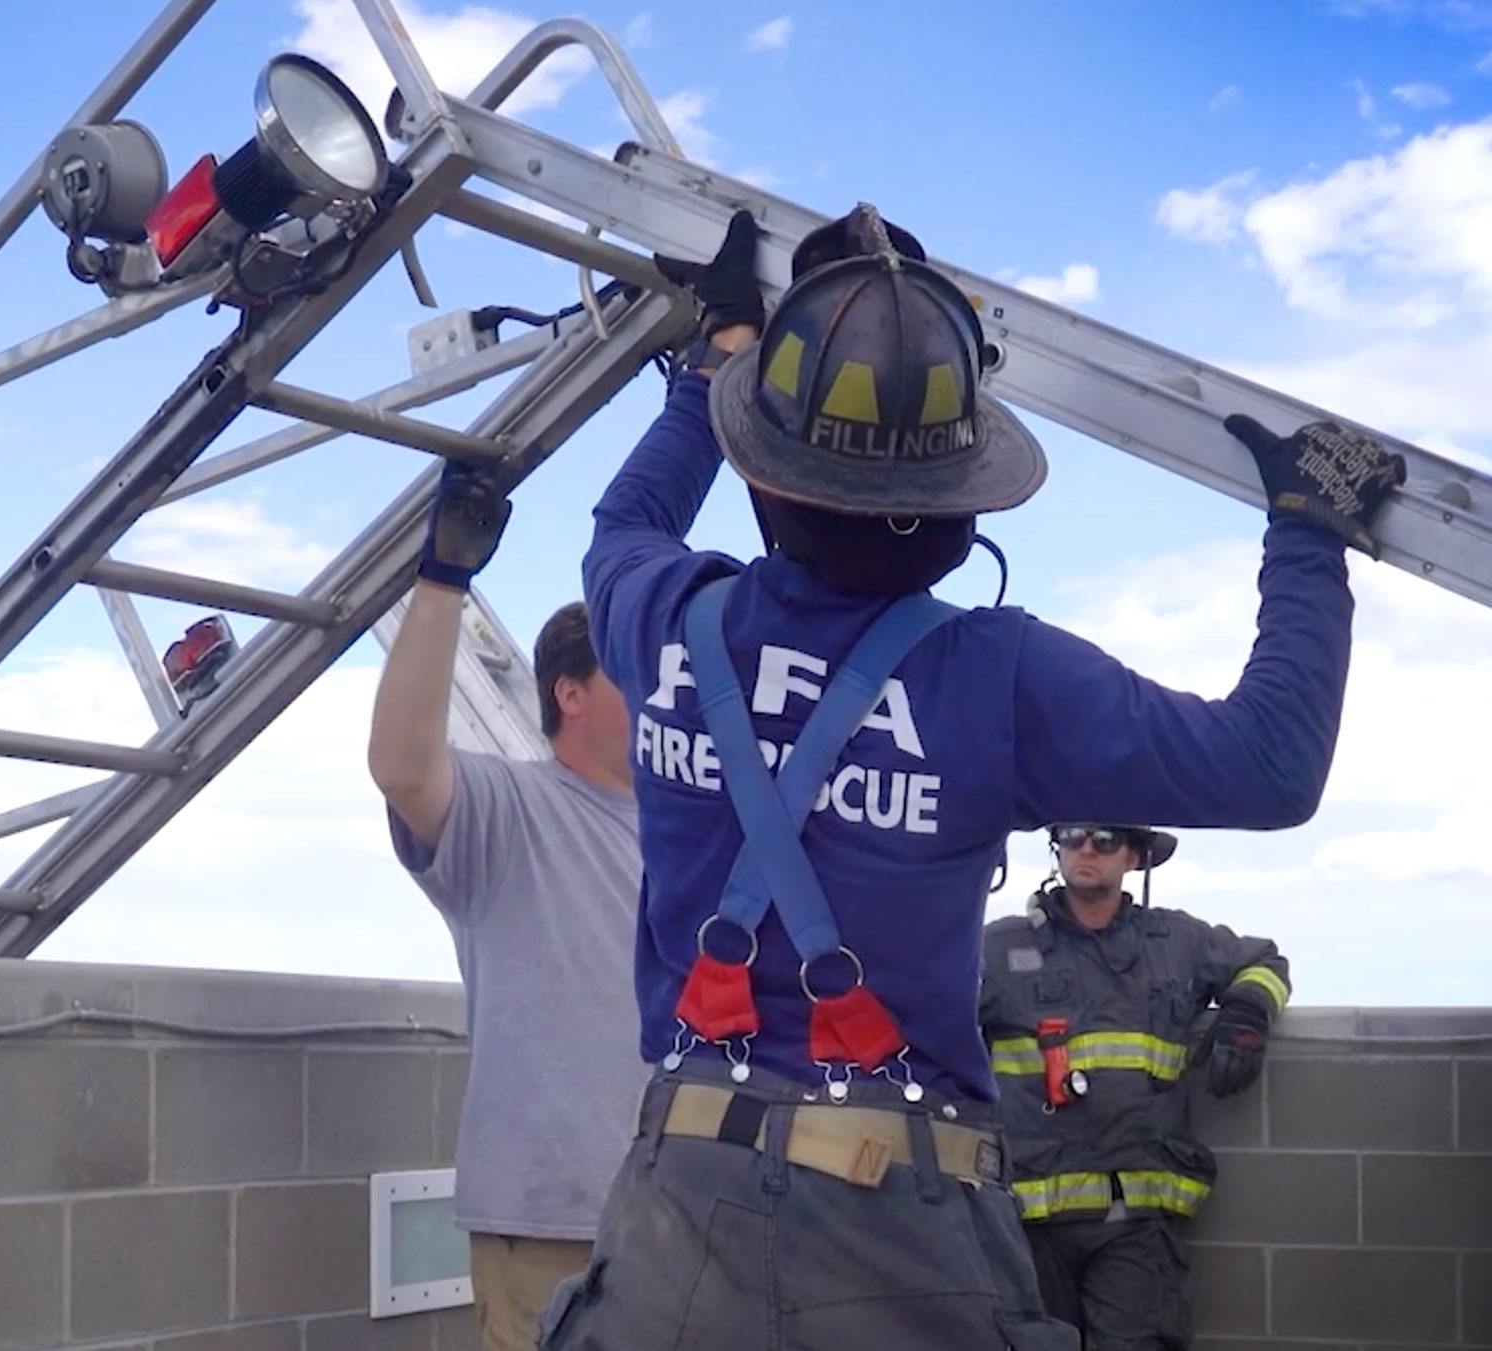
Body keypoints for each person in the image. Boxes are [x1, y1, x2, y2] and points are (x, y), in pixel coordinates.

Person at [530, 204, 1403, 1349]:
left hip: (671, 1232)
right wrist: (1303, 533)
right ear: (959, 504)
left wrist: (723, 349)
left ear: (763, 476)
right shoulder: (994, 680)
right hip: (903, 1229)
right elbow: (1269, 762)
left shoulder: (664, 624)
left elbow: (623, 519)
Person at [367, 469, 644, 1351]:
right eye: (634, 671)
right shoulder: (509, 809)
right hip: (550, 1224)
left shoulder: (696, 833)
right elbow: (404, 765)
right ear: (571, 693)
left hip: (679, 1215)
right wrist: (443, 582)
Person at [981, 822, 1288, 1349]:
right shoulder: (998, 948)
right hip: (1029, 1223)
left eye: (1104, 840)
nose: (1085, 849)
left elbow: (1265, 962)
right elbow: (929, 1016)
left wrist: (1245, 1015)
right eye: (1073, 835)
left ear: (1135, 857)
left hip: (1137, 1230)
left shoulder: (1179, 943)